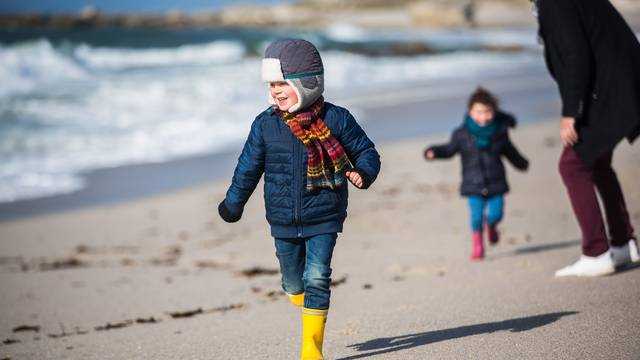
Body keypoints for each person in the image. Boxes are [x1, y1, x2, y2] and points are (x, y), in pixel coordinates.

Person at [217, 38, 380, 359]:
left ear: (307, 84)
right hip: (282, 218)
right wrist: (233, 203)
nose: (274, 91)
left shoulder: (337, 119)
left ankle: (311, 350)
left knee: (318, 277)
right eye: (271, 84)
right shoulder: (265, 125)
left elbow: (366, 150)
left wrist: (364, 172)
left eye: (282, 83)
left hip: (325, 213)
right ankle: (300, 297)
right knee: (294, 283)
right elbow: (247, 167)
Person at [534, 0, 640, 277]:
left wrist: (571, 112)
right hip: (620, 88)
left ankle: (596, 252)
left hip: (611, 92)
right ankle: (622, 244)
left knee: (573, 165)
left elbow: (576, 55)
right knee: (597, 163)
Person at [424, 87, 529, 260]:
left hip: (496, 182)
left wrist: (521, 163)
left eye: (487, 111)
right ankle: (478, 246)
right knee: (476, 218)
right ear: (470, 112)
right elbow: (449, 150)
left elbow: (510, 152)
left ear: (494, 112)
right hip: (473, 184)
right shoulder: (461, 135)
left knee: (496, 214)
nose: (483, 116)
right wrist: (434, 152)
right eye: (478, 112)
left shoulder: (500, 133)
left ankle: (492, 226)